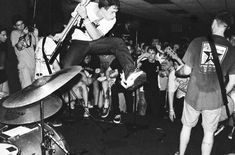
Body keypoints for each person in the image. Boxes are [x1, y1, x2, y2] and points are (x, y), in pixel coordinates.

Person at [175, 11, 235, 155]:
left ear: (214, 22)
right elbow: (232, 81)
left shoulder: (197, 42)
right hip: (214, 100)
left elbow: (187, 71)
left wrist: (178, 72)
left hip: (194, 95)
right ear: (226, 27)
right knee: (209, 133)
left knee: (186, 127)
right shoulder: (232, 50)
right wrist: (222, 94)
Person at [53, 0, 146, 91]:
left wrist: (86, 18)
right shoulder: (88, 6)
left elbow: (96, 36)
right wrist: (63, 34)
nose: (114, 15)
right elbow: (73, 19)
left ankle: (130, 73)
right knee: (66, 69)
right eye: (112, 12)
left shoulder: (112, 20)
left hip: (95, 43)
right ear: (103, 9)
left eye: (116, 12)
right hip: (79, 42)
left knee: (118, 42)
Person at [10, 15, 38, 89]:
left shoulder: (29, 33)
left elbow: (37, 47)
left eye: (22, 24)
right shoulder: (14, 33)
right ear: (15, 26)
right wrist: (23, 34)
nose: (21, 26)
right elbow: (19, 47)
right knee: (27, 90)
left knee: (35, 89)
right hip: (24, 66)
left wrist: (36, 36)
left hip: (34, 64)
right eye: (18, 25)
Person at [0, 26, 9, 98]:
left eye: (6, 35)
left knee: (6, 96)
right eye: (3, 35)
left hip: (3, 73)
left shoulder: (3, 45)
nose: (6, 37)